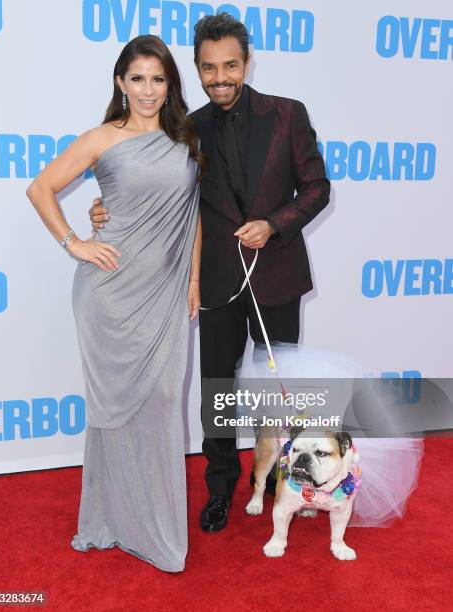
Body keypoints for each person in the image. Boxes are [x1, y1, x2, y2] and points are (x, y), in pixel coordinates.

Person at [90, 14, 330, 533]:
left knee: (274, 386)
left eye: (229, 66)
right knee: (218, 389)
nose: (219, 77)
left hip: (277, 276)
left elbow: (317, 189)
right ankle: (220, 488)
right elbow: (157, 189)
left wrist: (275, 223)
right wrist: (103, 210)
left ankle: (274, 480)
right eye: (207, 68)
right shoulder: (188, 126)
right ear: (196, 68)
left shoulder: (288, 115)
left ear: (247, 63)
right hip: (215, 277)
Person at [26, 35, 203, 572]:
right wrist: (74, 240)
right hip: (109, 291)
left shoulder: (188, 137)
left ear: (170, 83)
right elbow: (41, 188)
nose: (148, 89)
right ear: (120, 83)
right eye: (137, 78)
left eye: (158, 78)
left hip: (168, 291)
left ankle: (156, 529)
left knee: (165, 406)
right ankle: (109, 521)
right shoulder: (102, 137)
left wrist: (194, 281)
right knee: (111, 413)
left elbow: (193, 214)